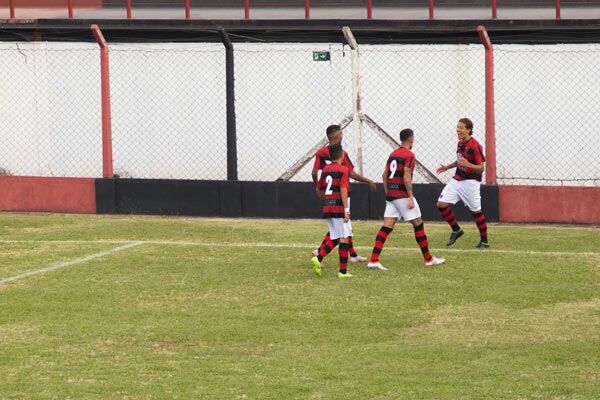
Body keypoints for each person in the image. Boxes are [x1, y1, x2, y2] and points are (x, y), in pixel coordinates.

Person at [367, 129, 445, 270]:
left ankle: (373, 260)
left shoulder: (393, 154)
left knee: (387, 227)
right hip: (402, 195)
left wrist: (388, 193)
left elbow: (384, 175)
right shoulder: (409, 155)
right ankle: (428, 259)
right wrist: (410, 197)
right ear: (411, 139)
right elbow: (406, 176)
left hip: (392, 195)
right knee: (418, 224)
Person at [311, 124, 376, 263]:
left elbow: (314, 172)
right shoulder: (341, 154)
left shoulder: (320, 153)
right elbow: (351, 173)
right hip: (342, 195)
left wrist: (318, 189)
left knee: (344, 227)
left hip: (328, 195)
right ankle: (319, 253)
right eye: (341, 134)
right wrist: (368, 180)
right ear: (336, 136)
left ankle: (352, 255)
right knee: (341, 229)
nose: (342, 136)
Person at [436, 118, 489, 248]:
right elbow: (459, 160)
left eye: (461, 127)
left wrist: (468, 164)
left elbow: (481, 167)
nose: (458, 130)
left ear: (468, 130)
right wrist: (447, 167)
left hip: (470, 182)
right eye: (457, 127)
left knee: (476, 212)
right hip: (457, 179)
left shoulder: (475, 145)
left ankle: (484, 242)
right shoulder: (460, 143)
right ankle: (456, 230)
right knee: (441, 204)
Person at [311, 144, 354, 278]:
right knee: (345, 237)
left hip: (327, 206)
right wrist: (346, 210)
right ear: (342, 155)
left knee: (337, 237)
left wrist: (325, 199)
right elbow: (343, 189)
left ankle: (320, 258)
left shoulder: (325, 170)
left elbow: (318, 189)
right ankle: (342, 272)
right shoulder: (343, 170)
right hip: (338, 207)